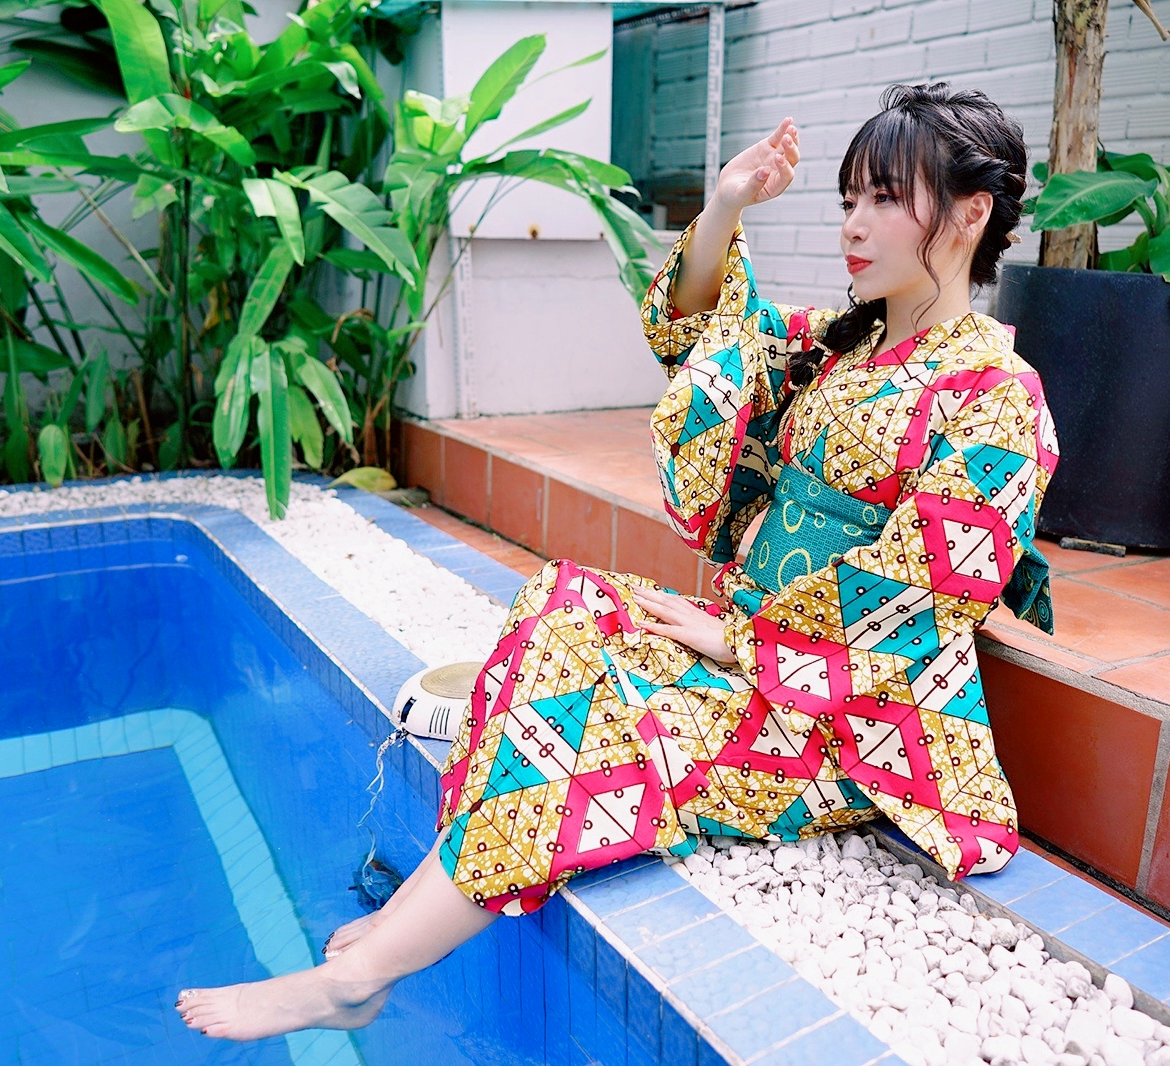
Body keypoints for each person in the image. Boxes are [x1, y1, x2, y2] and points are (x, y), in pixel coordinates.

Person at [175, 81, 1058, 1042]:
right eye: (850, 198)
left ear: (970, 214)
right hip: (759, 658)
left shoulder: (999, 393)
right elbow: (702, 329)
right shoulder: (844, 348)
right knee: (563, 606)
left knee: (598, 720)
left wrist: (735, 638)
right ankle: (406, 924)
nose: (854, 222)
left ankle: (364, 973)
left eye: (885, 199)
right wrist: (724, 204)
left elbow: (934, 585)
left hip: (860, 720)